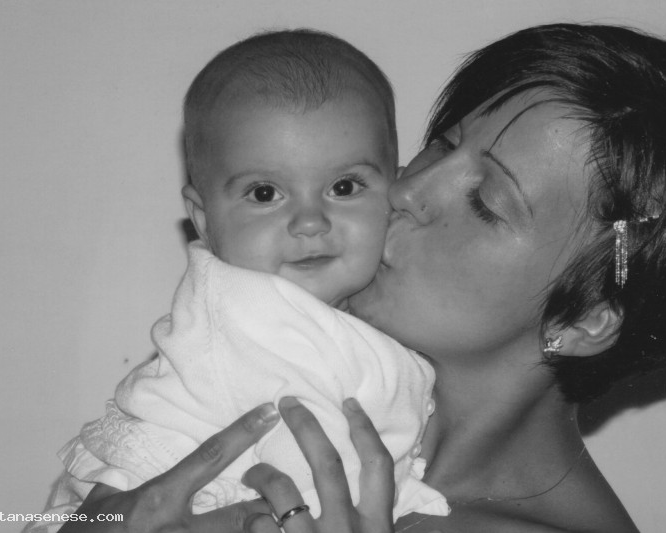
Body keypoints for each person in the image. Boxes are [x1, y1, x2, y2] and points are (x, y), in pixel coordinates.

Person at [56, 23, 666, 533]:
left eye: (485, 201)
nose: (407, 190)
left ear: (583, 317)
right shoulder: (263, 360)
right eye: (442, 145)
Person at [25, 29, 449, 533]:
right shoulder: (229, 329)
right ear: (204, 219)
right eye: (265, 193)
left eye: (343, 186)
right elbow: (139, 471)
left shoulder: (397, 316)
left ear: (394, 191)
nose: (310, 222)